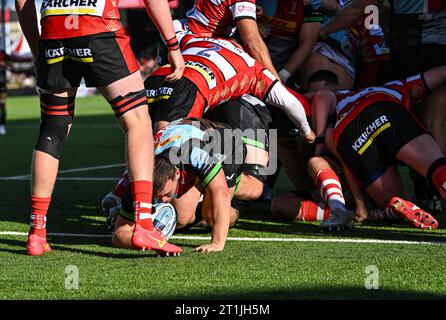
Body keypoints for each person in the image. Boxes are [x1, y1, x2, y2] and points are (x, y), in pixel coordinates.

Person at [16, 0, 185, 256]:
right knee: (138, 121)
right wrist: (172, 45)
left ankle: (37, 233)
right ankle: (143, 223)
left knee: (52, 130)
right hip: (97, 25)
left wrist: (38, 46)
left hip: (53, 28)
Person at [321, 0, 446, 213]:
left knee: (404, 120)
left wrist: (321, 32)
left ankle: (421, 192)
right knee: (432, 121)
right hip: (436, 49)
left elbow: (357, 8)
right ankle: (433, 192)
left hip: (408, 52)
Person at [308, 67, 446, 229]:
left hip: (349, 133)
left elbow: (320, 98)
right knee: (437, 169)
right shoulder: (393, 86)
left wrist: (318, 146)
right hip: (382, 106)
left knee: (397, 201)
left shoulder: (337, 106)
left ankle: (392, 211)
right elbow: (442, 73)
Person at [113, 118, 246, 253]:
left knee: (211, 216)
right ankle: (204, 187)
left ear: (177, 174)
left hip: (226, 142)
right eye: (156, 197)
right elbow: (118, 235)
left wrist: (216, 243)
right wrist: (148, 243)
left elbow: (221, 191)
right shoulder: (140, 177)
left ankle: (236, 206)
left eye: (166, 195)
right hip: (181, 144)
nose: (163, 201)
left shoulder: (195, 152)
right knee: (181, 219)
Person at [182, 0, 280, 80]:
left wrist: (249, 12)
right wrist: (277, 84)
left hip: (187, 32)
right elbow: (252, 43)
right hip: (196, 43)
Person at [256, 0, 324, 85]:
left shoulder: (311, 3)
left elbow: (307, 44)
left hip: (279, 67)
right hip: (249, 57)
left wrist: (282, 76)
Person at [0, 50, 8, 135]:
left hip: (1, 82)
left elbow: (11, 64)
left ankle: (2, 125)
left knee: (2, 105)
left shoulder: (3, 53)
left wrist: (3, 64)